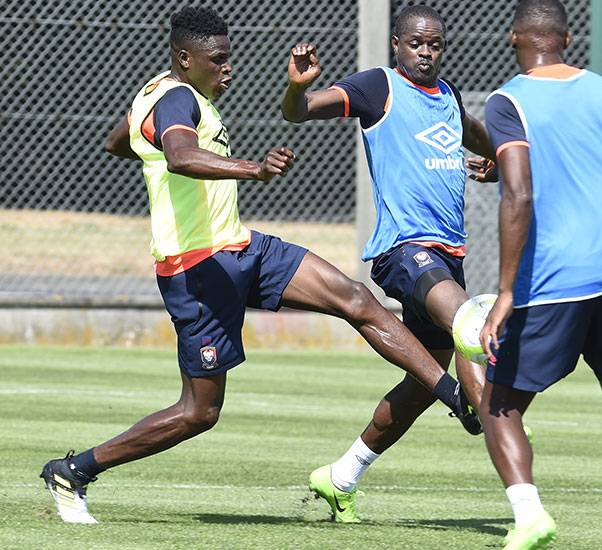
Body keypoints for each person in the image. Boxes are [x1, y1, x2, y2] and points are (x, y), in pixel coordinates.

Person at [39, 6, 472, 525]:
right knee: (199, 412)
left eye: (229, 57)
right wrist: (253, 170)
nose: (228, 68)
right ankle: (75, 469)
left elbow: (120, 141)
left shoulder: (162, 94)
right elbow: (179, 156)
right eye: (217, 60)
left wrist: (150, 149)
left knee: (355, 299)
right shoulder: (178, 97)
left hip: (242, 248)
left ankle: (453, 395)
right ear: (184, 58)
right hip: (197, 270)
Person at [281, 4, 499, 524]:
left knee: (425, 382)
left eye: (435, 45)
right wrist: (296, 87)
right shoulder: (378, 87)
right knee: (470, 321)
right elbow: (299, 111)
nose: (427, 52)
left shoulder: (447, 94)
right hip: (404, 248)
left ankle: (341, 476)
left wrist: (499, 159)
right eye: (417, 44)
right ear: (397, 45)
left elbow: (469, 129)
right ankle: (500, 424)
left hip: (448, 254)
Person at [476, 1, 602, 549]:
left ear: (514, 36)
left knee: (498, 405)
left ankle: (529, 514)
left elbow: (519, 192)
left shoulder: (507, 101)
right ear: (567, 38)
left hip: (553, 282)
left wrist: (507, 292)